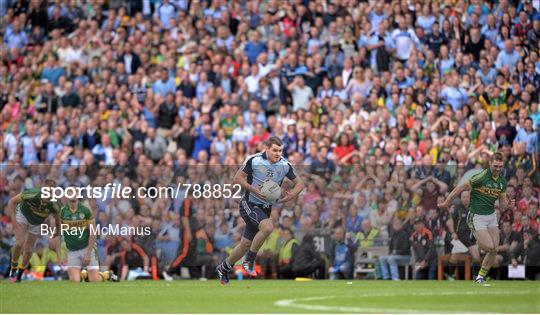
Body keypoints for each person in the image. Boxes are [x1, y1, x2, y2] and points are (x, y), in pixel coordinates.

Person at [215, 136, 304, 285]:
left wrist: (291, 196)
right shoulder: (254, 160)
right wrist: (254, 190)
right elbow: (238, 178)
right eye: (274, 150)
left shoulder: (284, 165)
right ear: (266, 148)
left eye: (280, 151)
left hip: (265, 208)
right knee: (268, 227)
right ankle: (249, 261)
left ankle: (223, 268)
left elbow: (300, 184)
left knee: (244, 244)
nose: (278, 154)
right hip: (248, 203)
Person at [439, 152, 509, 285]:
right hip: (477, 216)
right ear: (489, 164)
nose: (498, 169)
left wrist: (507, 204)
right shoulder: (481, 177)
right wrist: (447, 202)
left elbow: (502, 204)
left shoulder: (502, 181)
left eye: (500, 166)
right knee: (489, 247)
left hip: (491, 216)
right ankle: (478, 240)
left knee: (494, 249)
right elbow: (460, 188)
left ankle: (480, 278)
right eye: (496, 166)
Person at [6, 181, 62, 282]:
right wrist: (13, 220)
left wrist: (57, 231)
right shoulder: (31, 193)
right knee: (19, 244)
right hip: (23, 215)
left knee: (28, 251)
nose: (47, 194)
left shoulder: (55, 204)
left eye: (50, 192)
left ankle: (19, 275)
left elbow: (58, 219)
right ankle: (13, 267)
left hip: (36, 222)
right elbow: (11, 202)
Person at [60, 196, 116, 282]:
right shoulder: (63, 211)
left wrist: (88, 252)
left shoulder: (87, 210)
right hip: (73, 249)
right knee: (75, 281)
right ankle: (84, 274)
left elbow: (94, 232)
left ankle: (106, 275)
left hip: (89, 245)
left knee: (95, 279)